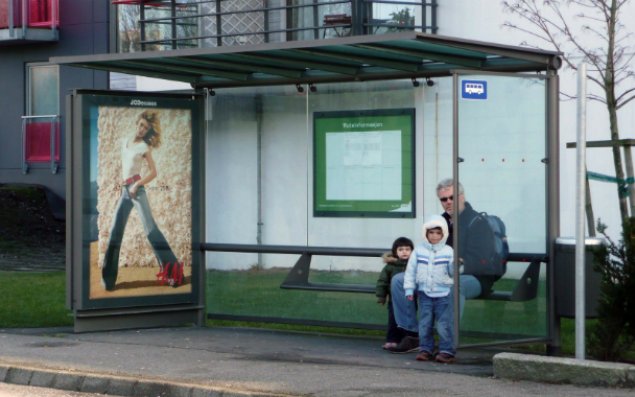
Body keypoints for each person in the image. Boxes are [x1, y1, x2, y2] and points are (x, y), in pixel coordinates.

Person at [388, 178, 499, 353]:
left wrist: (454, 266)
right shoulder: (438, 222)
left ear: (462, 196)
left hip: (475, 277)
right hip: (437, 273)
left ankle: (448, 340)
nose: (448, 202)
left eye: (452, 197)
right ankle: (413, 335)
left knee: (454, 285)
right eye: (443, 199)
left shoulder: (478, 222)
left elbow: (481, 260)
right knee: (399, 280)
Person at [101, 110, 182, 291]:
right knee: (115, 231)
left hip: (137, 191)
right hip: (124, 190)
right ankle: (108, 280)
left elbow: (153, 172)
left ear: (148, 131)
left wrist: (137, 185)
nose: (142, 129)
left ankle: (174, 274)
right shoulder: (125, 142)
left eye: (145, 128)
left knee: (151, 230)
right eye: (140, 125)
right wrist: (124, 186)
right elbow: (124, 168)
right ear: (136, 123)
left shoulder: (144, 148)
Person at [404, 215, 455, 363]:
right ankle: (426, 349)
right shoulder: (419, 251)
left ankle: (446, 350)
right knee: (424, 323)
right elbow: (410, 270)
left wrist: (456, 265)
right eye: (431, 232)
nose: (434, 236)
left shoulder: (448, 251)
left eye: (438, 233)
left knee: (443, 324)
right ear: (425, 233)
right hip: (424, 293)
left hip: (443, 294)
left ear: (444, 233)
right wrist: (409, 289)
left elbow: (453, 272)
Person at [375, 236, 416, 350]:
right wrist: (381, 296)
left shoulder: (414, 265)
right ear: (395, 252)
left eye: (407, 249)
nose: (404, 252)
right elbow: (383, 281)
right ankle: (392, 340)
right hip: (394, 300)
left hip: (410, 299)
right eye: (401, 249)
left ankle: (407, 340)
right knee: (393, 320)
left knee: (408, 318)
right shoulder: (390, 266)